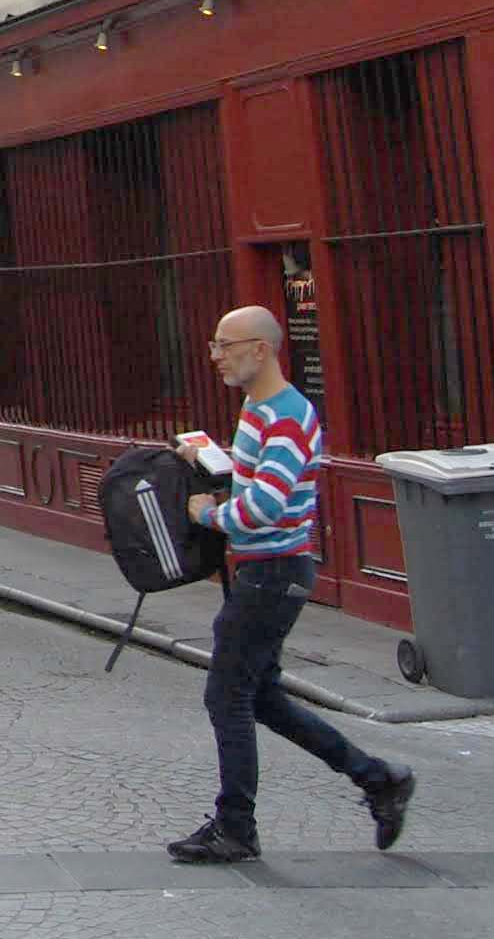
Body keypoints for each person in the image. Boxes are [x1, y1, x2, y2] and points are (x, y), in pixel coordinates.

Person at [169, 304, 415, 865]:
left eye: (224, 344)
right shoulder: (258, 408)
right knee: (261, 698)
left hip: (273, 573)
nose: (216, 355)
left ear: (261, 349)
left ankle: (236, 829)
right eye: (214, 345)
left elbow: (264, 505)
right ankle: (379, 780)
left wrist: (207, 514)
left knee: (226, 695)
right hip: (266, 572)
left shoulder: (284, 415)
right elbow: (259, 477)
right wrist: (210, 459)